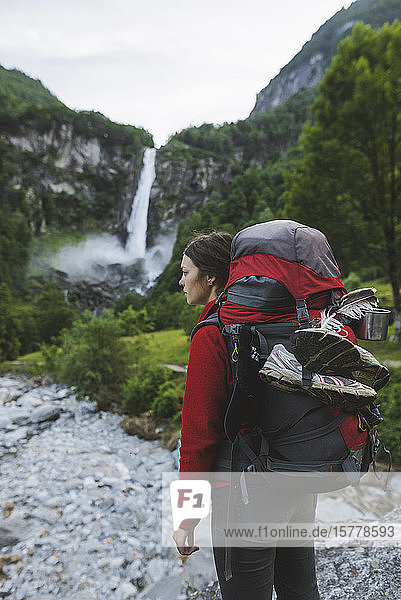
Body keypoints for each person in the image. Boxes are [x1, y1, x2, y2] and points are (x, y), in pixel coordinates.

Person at [173, 230, 324, 599]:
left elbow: (198, 436)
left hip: (244, 495)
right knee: (299, 589)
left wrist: (185, 518)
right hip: (297, 478)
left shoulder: (215, 332)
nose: (180, 280)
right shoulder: (284, 321)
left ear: (211, 278)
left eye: (186, 271)